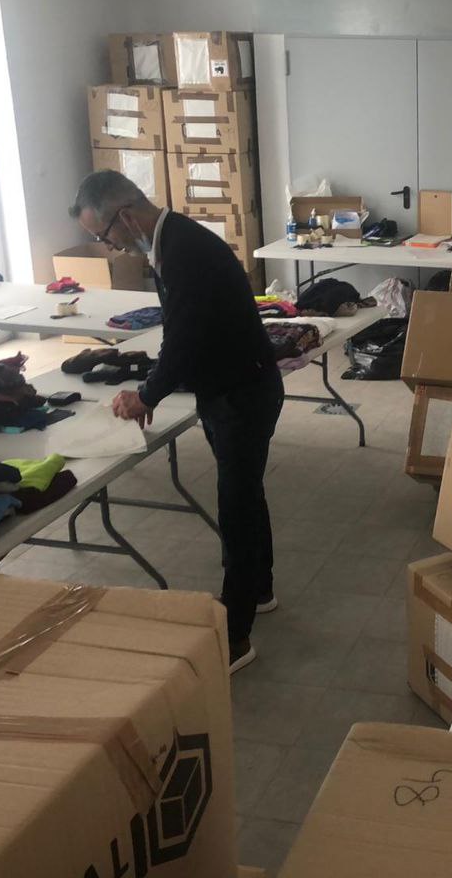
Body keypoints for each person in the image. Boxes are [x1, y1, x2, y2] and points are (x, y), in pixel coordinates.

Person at [69, 170, 282, 674]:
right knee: (245, 495)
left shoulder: (183, 251)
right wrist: (154, 387)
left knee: (236, 507)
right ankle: (260, 588)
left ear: (124, 217)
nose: (111, 247)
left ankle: (236, 635)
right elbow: (184, 333)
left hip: (242, 393)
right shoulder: (172, 241)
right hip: (232, 385)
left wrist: (147, 395)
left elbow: (184, 338)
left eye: (105, 236)